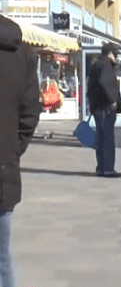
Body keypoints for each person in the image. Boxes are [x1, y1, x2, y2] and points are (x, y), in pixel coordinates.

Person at [0, 15, 40, 286]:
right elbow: (29, 114)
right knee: (2, 259)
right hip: (3, 168)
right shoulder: (21, 52)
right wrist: (12, 150)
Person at [87, 43, 121, 178]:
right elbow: (104, 83)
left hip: (97, 106)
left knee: (101, 138)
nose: (116, 57)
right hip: (105, 108)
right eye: (115, 54)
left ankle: (101, 168)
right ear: (109, 54)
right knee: (108, 139)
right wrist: (112, 100)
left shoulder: (97, 65)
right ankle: (108, 169)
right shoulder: (106, 66)